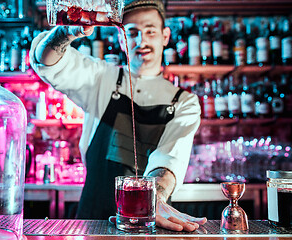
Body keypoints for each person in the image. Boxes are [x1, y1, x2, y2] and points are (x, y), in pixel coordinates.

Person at [30, 0, 207, 232]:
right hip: (92, 222)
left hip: (150, 221)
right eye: (132, 33)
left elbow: (169, 158)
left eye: (150, 31)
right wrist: (67, 31)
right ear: (122, 39)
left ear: (165, 36)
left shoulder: (185, 102)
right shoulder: (101, 79)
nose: (141, 41)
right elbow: (46, 61)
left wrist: (155, 198)